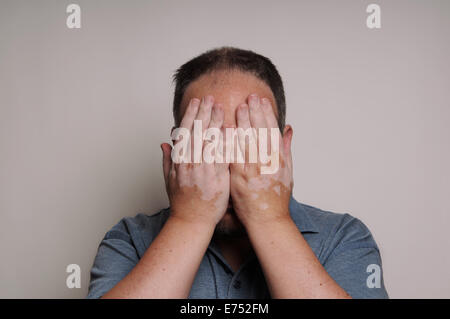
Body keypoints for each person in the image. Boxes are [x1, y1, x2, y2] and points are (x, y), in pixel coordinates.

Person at [87, 47, 388, 299]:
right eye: (207, 141)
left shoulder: (343, 237)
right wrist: (190, 219)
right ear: (178, 149)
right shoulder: (129, 239)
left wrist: (269, 218)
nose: (228, 164)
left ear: (283, 148)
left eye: (250, 141)